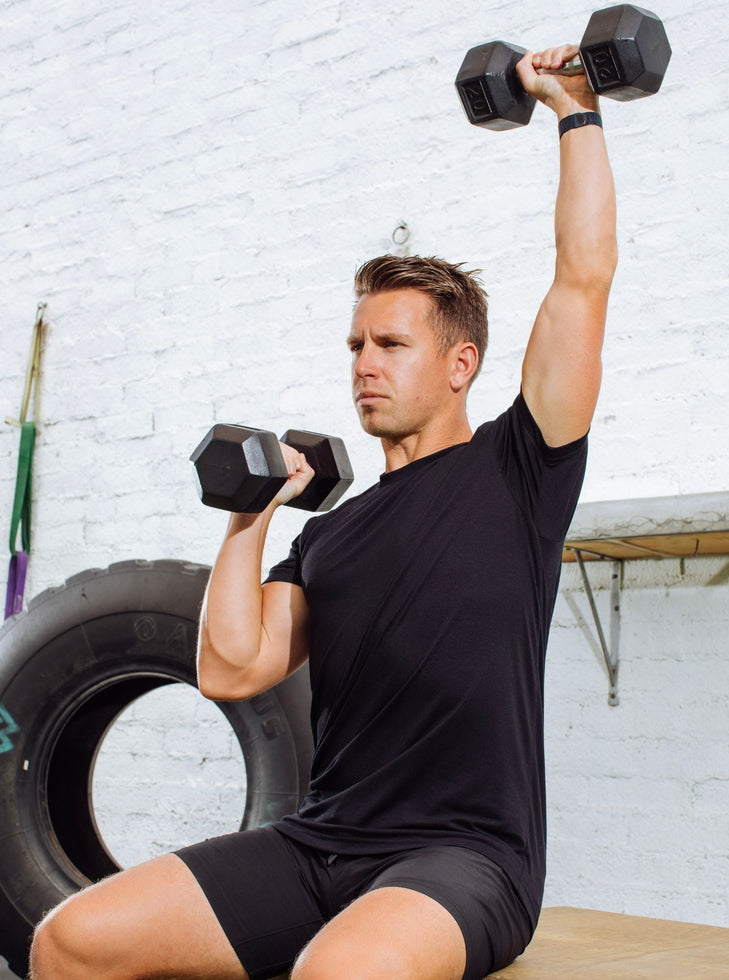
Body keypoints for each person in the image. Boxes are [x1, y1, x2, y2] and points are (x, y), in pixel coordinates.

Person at [29, 42, 616, 980]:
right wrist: (251, 512)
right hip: (320, 844)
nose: (363, 365)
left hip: (463, 860)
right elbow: (231, 666)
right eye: (354, 345)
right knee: (69, 943)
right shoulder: (331, 534)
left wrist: (573, 111)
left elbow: (581, 281)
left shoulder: (518, 469)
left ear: (460, 365)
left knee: (334, 975)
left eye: (390, 343)